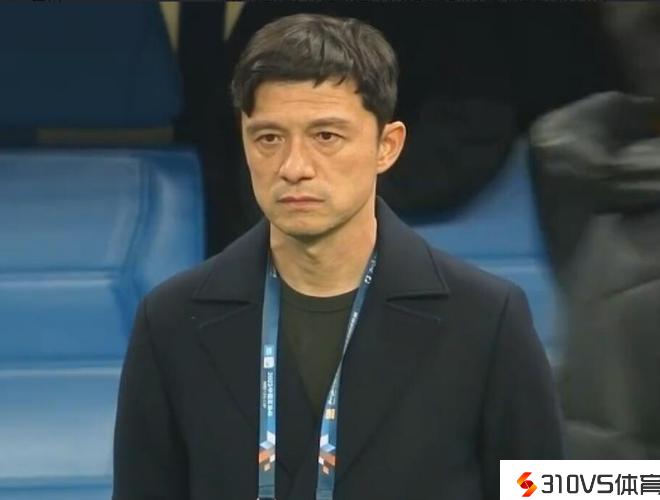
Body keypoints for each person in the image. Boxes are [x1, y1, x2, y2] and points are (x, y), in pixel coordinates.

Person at [113, 13, 562, 500]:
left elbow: (535, 490)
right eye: (268, 138)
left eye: (326, 136)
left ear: (387, 146)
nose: (294, 167)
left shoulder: (487, 319)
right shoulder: (170, 322)